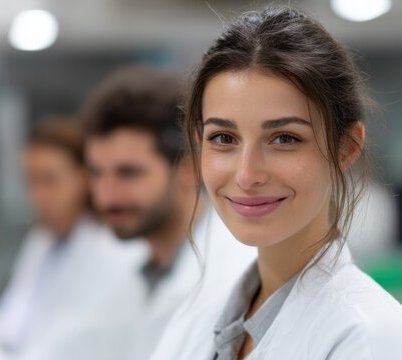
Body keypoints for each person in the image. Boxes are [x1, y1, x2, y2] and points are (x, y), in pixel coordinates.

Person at [151, 6, 402, 360]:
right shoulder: (196, 317)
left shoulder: (371, 340)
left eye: (285, 138)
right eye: (224, 138)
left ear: (345, 148)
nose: (246, 174)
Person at [54, 67, 255, 360]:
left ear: (188, 168)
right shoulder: (133, 270)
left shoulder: (238, 277)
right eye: (97, 173)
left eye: (128, 173)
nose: (105, 195)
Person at [0, 117, 143, 360]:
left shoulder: (113, 251)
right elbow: (10, 324)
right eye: (30, 180)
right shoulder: (41, 241)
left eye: (49, 180)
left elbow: (79, 345)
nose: (37, 195)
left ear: (83, 179)